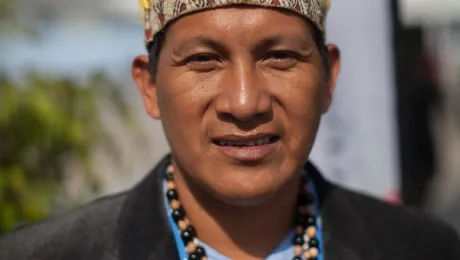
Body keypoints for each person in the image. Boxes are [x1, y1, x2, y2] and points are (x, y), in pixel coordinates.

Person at [1, 0, 459, 259]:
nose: (245, 103)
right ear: (149, 85)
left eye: (279, 56)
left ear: (328, 78)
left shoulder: (424, 250)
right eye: (204, 60)